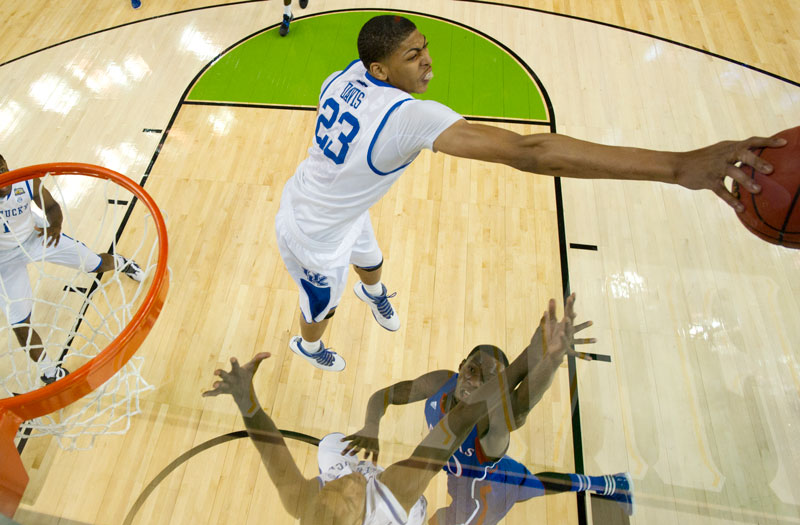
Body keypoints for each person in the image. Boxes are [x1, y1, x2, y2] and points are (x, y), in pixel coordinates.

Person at [275, 14, 786, 371]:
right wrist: (677, 167)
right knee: (321, 306)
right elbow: (531, 151)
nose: (428, 60)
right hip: (312, 235)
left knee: (371, 259)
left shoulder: (342, 76)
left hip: (335, 204)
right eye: (413, 56)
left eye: (425, 46)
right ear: (380, 70)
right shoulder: (409, 118)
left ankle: (372, 292)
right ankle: (308, 346)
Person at [203, 297, 588, 525]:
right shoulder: (392, 496)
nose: (349, 483)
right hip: (421, 514)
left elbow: (271, 450)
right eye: (351, 499)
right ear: (358, 522)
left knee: (331, 447)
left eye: (332, 487)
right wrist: (539, 354)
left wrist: (246, 401)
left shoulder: (303, 503)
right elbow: (460, 421)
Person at [342, 294, 632, 525]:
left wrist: (551, 361)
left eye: (489, 379)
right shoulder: (441, 382)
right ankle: (612, 483)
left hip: (479, 502)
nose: (474, 380)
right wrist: (371, 426)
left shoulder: (491, 424)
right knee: (536, 485)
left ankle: (610, 484)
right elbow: (384, 396)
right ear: (461, 365)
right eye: (472, 368)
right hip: (502, 473)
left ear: (497, 390)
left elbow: (522, 405)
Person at [0, 155, 144, 384]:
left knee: (96, 265)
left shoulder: (26, 181)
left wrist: (55, 225)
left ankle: (122, 263)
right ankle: (49, 371)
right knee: (19, 323)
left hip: (37, 236)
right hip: (4, 259)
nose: (1, 177)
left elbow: (51, 206)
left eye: (2, 169)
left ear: (7, 166)